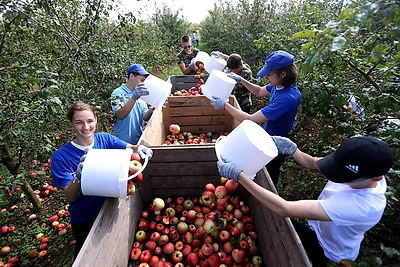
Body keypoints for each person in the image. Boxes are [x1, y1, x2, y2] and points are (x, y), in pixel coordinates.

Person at [217, 136, 393, 266]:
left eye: (344, 177)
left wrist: (239, 176)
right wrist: (293, 149)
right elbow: (312, 162)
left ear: (376, 178)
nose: (339, 178)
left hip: (330, 252)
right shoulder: (354, 165)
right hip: (316, 228)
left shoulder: (363, 207)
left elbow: (284, 208)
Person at [51, 101, 153, 259]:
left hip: (109, 204)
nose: (86, 127)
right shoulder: (62, 157)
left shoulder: (104, 140)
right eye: (79, 122)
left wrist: (140, 148)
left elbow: (130, 147)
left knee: (110, 246)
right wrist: (79, 177)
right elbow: (70, 196)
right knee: (86, 252)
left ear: (96, 120)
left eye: (89, 121)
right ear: (71, 123)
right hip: (84, 215)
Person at [211, 50, 301, 185]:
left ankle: (271, 201)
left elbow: (251, 119)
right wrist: (241, 79)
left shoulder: (287, 98)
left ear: (283, 74)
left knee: (269, 175)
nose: (266, 77)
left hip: (275, 144)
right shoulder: (278, 85)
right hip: (267, 134)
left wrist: (225, 105)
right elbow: (259, 91)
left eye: (269, 74)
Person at [110, 64, 155, 145]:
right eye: (141, 80)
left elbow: (144, 117)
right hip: (122, 142)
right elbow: (120, 115)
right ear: (131, 76)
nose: (143, 83)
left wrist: (152, 109)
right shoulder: (118, 93)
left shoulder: (140, 94)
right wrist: (134, 97)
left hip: (137, 141)